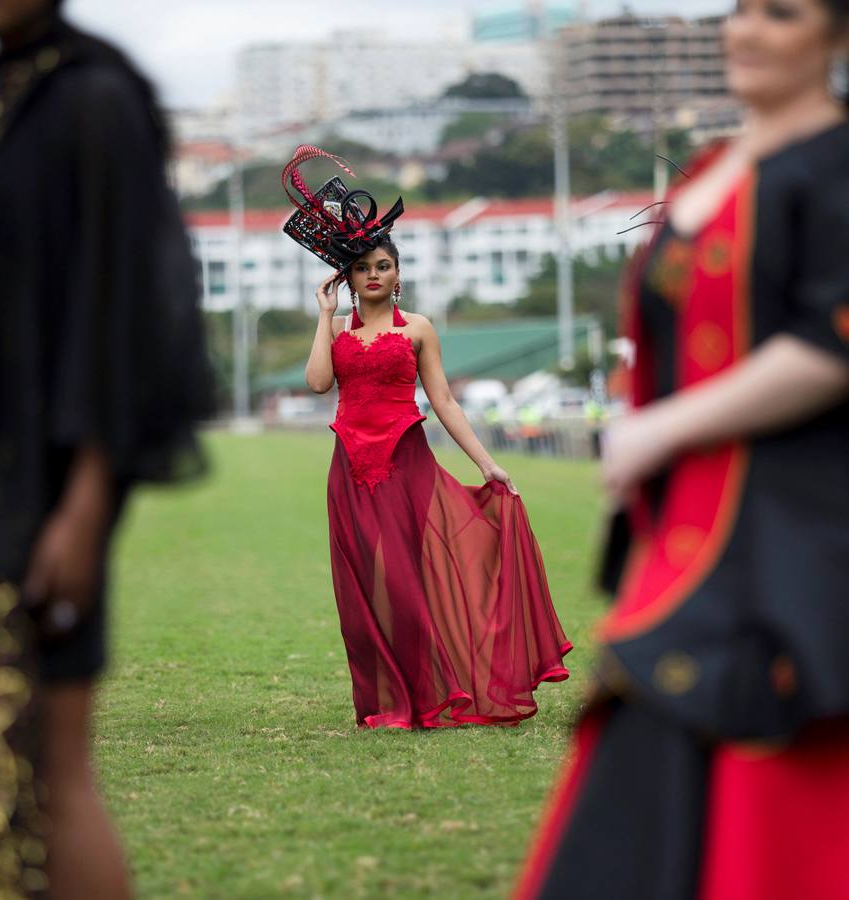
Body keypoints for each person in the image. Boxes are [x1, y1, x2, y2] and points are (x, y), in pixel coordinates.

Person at [516, 1, 849, 897]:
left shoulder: (834, 168)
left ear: (836, 38)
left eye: (781, 15)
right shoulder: (716, 168)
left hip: (790, 541)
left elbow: (834, 341)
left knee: (771, 826)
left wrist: (665, 428)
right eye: (738, 12)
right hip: (689, 539)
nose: (745, 32)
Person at [0, 1, 213, 898]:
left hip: (49, 480)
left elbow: (125, 313)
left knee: (50, 768)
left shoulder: (93, 97)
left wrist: (85, 507)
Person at [285, 147, 571, 730]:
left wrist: (488, 464)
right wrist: (322, 316)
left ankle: (432, 695)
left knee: (409, 586)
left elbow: (442, 402)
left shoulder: (417, 329)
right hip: (351, 471)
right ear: (349, 275)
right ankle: (390, 702)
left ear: (396, 273)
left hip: (406, 464)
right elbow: (318, 384)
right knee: (365, 591)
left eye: (382, 266)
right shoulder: (338, 330)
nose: (373, 275)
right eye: (362, 267)